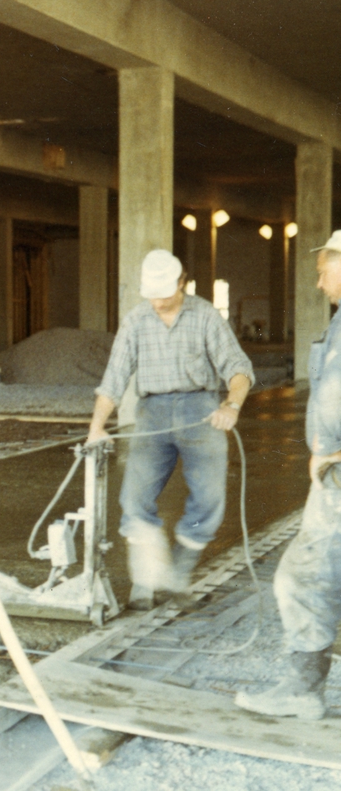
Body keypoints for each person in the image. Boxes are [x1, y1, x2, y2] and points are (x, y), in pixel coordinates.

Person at [88, 249, 254, 610]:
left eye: (165, 294)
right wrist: (96, 427)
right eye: (152, 295)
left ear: (183, 283)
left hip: (201, 409)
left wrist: (232, 404)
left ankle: (178, 573)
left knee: (209, 499)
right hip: (152, 412)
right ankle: (146, 580)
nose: (158, 302)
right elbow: (114, 377)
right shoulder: (136, 320)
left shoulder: (205, 315)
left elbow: (237, 366)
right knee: (134, 498)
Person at [235, 231, 341, 720]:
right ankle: (302, 689)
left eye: (324, 270)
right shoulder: (339, 324)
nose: (318, 283)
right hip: (332, 480)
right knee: (307, 576)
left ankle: (303, 690)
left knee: (303, 577)